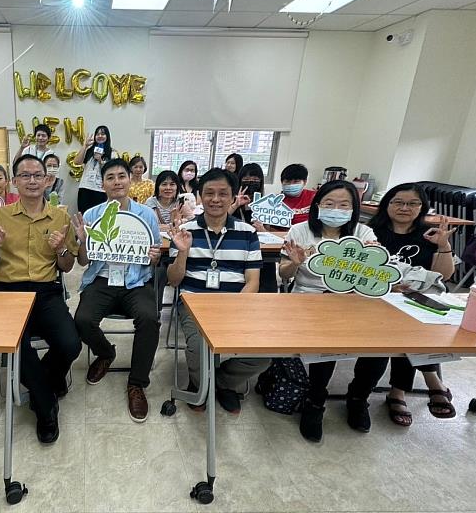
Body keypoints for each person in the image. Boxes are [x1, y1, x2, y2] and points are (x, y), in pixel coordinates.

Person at [0, 154, 81, 444]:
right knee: (18, 348)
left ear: (48, 180)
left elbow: (67, 266)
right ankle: (46, 408)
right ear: (15, 181)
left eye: (38, 175)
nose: (32, 181)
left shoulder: (60, 216)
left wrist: (61, 250)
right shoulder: (0, 216)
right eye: (25, 175)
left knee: (71, 344)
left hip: (46, 292)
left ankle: (40, 386)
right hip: (8, 294)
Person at [279, 180, 387, 442]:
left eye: (343, 205)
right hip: (309, 299)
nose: (335, 209)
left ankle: (358, 397)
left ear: (353, 208)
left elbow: (375, 274)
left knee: (382, 345)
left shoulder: (363, 234)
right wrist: (294, 264)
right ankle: (315, 402)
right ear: (317, 206)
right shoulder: (300, 230)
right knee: (327, 344)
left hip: (353, 301)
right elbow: (283, 274)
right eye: (329, 203)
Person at [167, 168, 266, 414]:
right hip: (193, 303)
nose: (215, 199)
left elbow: (253, 281)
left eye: (223, 193)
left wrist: (235, 310)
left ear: (233, 198)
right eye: (209, 193)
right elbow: (173, 280)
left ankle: (220, 383)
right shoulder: (185, 230)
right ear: (200, 196)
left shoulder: (247, 233)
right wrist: (182, 252)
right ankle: (200, 383)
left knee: (263, 354)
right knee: (199, 346)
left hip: (235, 304)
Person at [72, 159, 162, 423]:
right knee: (82, 320)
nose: (117, 182)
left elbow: (153, 257)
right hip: (101, 279)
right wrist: (84, 242)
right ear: (103, 184)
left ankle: (137, 384)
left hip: (135, 281)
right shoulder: (91, 215)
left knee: (149, 319)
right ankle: (106, 352)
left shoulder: (146, 215)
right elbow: (82, 261)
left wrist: (154, 256)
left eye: (121, 176)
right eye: (110, 177)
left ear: (129, 179)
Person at [368, 182, 457, 426]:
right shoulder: (371, 233)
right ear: (387, 204)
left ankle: (400, 390)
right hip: (379, 298)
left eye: (412, 203)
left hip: (417, 300)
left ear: (422, 207)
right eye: (398, 202)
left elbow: (444, 276)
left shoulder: (430, 234)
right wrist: (390, 285)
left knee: (416, 324)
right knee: (401, 327)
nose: (404, 208)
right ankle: (424, 382)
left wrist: (443, 245)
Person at [74, 125, 119, 213]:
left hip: (101, 190)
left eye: (103, 134)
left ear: (107, 136)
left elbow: (112, 172)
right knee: (84, 215)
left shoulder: (112, 153)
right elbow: (77, 162)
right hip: (85, 188)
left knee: (99, 217)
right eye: (97, 134)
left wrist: (100, 160)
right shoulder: (89, 151)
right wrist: (85, 146)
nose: (100, 136)